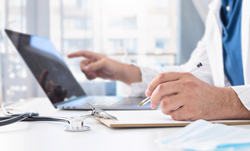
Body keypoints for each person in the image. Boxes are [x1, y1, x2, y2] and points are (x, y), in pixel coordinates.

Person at [68, 0, 250, 121]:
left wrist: (224, 102)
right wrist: (123, 71)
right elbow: (195, 71)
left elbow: (214, 96)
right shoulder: (220, 9)